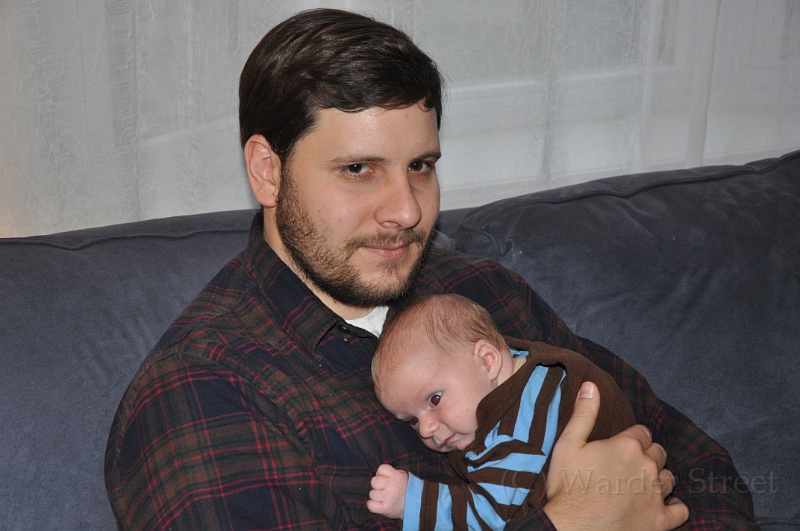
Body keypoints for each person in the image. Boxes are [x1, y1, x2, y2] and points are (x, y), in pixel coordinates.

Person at [104, 7, 757, 530]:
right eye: (359, 168)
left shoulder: (480, 292)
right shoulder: (203, 395)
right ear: (267, 171)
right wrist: (572, 522)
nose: (408, 210)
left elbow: (698, 463)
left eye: (421, 166)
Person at [367, 293, 638, 529]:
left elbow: (489, 518)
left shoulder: (515, 426)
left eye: (435, 399)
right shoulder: (530, 367)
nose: (426, 429)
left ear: (488, 361)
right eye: (412, 421)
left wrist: (412, 501)